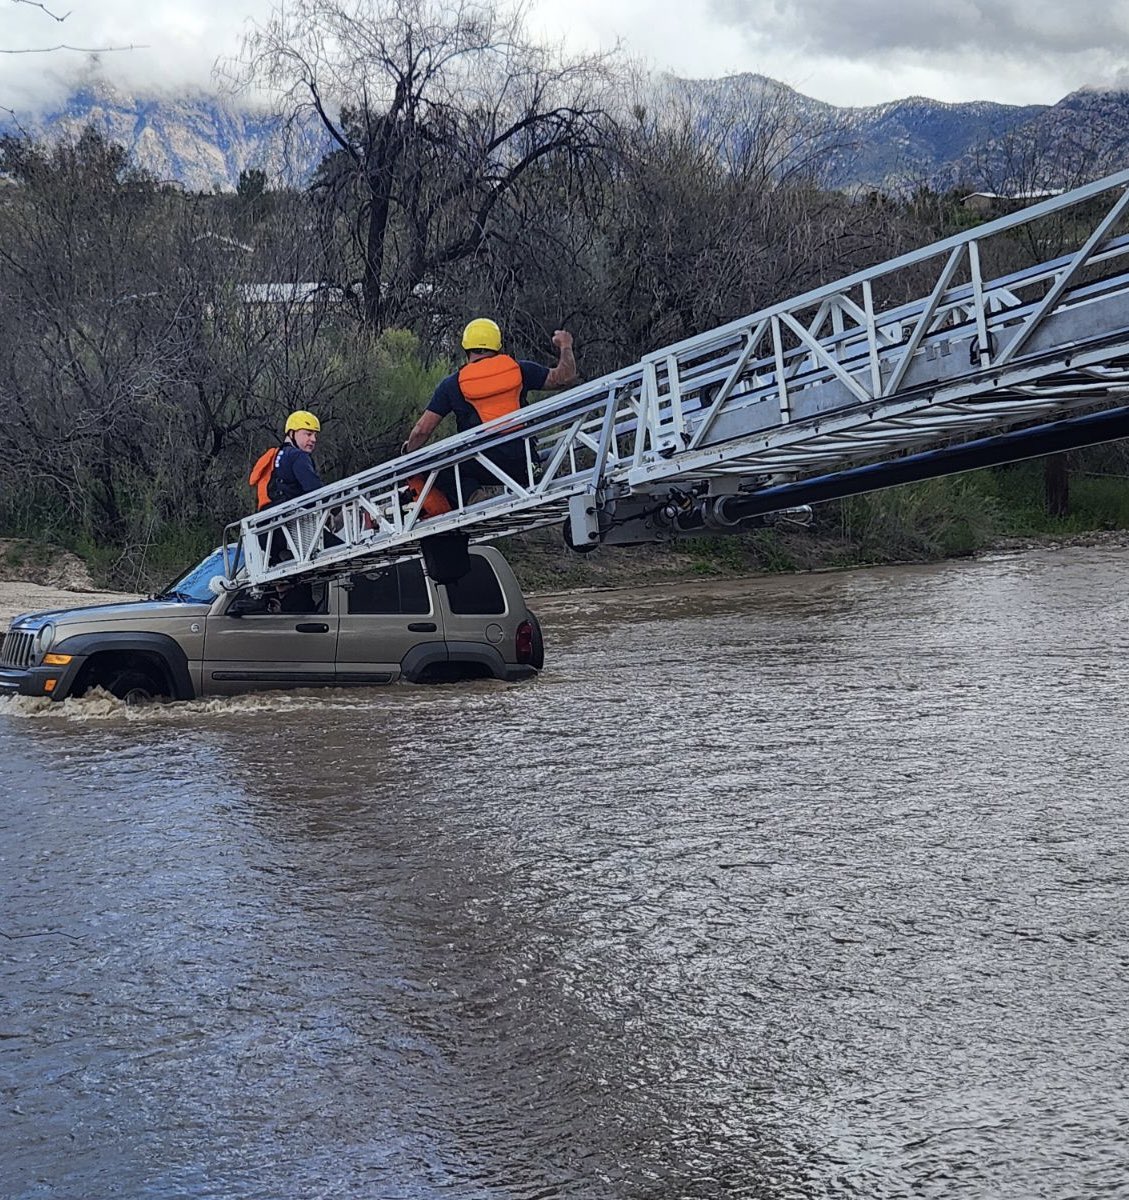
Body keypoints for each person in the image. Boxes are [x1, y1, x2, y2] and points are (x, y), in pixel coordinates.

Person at [401, 318, 577, 502]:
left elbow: (422, 430)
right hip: (525, 464)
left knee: (438, 469)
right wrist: (565, 345)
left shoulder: (451, 385)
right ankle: (532, 478)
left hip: (483, 465)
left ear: (466, 348)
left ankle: (474, 497)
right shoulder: (520, 370)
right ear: (498, 347)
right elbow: (564, 378)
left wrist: (408, 451)